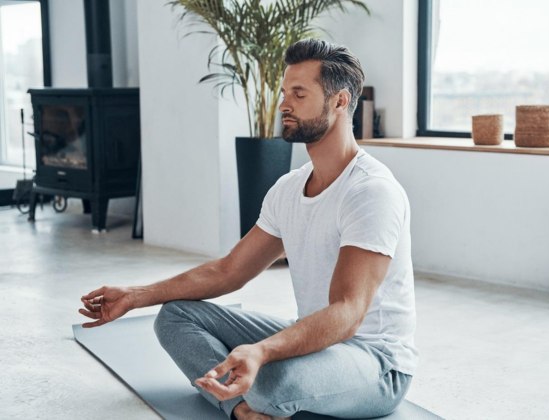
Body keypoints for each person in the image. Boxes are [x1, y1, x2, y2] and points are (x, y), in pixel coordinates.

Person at [79, 39, 417, 420]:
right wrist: (137, 295)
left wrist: (264, 350)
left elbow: (348, 311)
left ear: (339, 102)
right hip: (314, 338)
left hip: (374, 362)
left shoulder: (370, 191)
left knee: (272, 381)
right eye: (284, 92)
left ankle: (255, 395)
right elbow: (229, 271)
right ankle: (242, 408)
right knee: (174, 317)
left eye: (299, 93)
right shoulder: (289, 188)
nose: (284, 104)